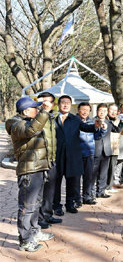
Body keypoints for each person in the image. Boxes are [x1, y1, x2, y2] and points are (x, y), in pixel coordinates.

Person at [6, 97, 55, 252]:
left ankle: (34, 232)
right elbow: (30, 130)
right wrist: (45, 111)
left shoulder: (29, 121)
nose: (38, 110)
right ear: (26, 111)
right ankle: (25, 240)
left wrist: (44, 111)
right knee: (27, 207)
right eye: (35, 108)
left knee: (36, 205)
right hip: (29, 171)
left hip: (39, 168)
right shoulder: (16, 124)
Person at [53, 95, 100, 215]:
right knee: (56, 182)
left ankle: (70, 204)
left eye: (68, 103)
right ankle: (56, 205)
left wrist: (96, 126)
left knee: (71, 181)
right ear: (58, 105)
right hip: (57, 155)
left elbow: (86, 127)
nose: (65, 105)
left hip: (72, 156)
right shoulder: (52, 118)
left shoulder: (75, 119)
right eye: (63, 102)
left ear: (70, 105)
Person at [35, 92, 63, 229]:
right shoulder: (36, 115)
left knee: (50, 189)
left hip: (52, 159)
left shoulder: (53, 116)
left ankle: (47, 214)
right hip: (40, 159)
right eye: (43, 101)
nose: (46, 103)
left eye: (49, 101)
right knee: (39, 191)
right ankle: (39, 218)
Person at [77, 102, 99, 205]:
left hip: (89, 152)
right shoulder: (73, 121)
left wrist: (102, 129)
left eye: (87, 110)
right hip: (76, 153)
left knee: (88, 177)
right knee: (76, 178)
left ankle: (87, 197)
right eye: (83, 109)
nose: (85, 112)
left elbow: (98, 135)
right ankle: (76, 199)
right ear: (78, 110)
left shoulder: (92, 121)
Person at [93, 103, 113, 198]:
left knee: (103, 172)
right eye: (100, 110)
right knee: (93, 172)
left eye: (104, 111)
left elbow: (119, 129)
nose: (102, 113)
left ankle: (101, 191)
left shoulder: (109, 123)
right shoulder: (92, 121)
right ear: (97, 111)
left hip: (106, 150)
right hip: (95, 150)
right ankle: (92, 192)